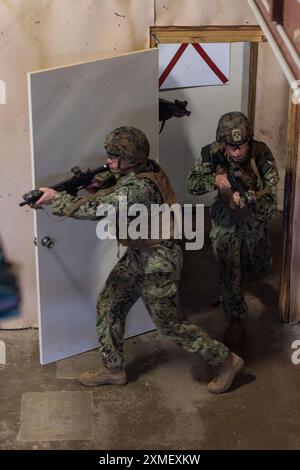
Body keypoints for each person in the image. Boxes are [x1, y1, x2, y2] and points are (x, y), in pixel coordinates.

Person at [35, 126, 244, 393]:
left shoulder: (142, 187)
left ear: (132, 159)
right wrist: (101, 181)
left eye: (114, 157)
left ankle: (227, 361)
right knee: (109, 304)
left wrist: (57, 199)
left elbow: (99, 208)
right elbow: (115, 183)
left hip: (160, 260)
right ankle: (113, 369)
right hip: (139, 252)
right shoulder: (142, 168)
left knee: (171, 326)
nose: (108, 162)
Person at [187, 112, 279, 345]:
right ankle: (235, 314)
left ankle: (243, 275)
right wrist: (214, 181)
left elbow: (272, 190)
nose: (238, 151)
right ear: (222, 143)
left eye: (242, 145)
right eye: (232, 146)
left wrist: (252, 199)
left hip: (254, 212)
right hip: (224, 215)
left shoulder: (261, 153)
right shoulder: (211, 153)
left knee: (259, 265)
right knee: (228, 265)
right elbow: (192, 185)